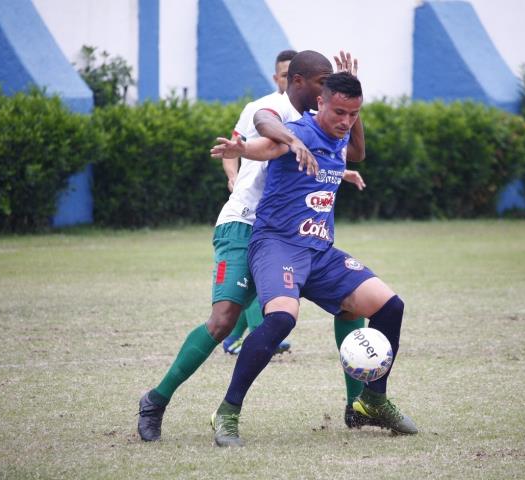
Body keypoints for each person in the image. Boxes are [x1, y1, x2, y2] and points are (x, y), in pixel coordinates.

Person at [138, 50, 370, 442]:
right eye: (322, 83)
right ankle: (155, 400)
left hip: (291, 235)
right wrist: (293, 143)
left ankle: (358, 405)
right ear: (298, 82)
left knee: (352, 300)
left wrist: (340, 145)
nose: (327, 89)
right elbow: (264, 126)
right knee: (224, 318)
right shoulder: (269, 106)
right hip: (244, 225)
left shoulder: (325, 117)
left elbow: (352, 150)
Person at [209, 72, 418, 447]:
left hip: (320, 251)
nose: (346, 122)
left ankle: (372, 400)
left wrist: (347, 157)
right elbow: (268, 145)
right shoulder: (300, 132)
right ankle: (227, 412)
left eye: (353, 114)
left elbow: (353, 151)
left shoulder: (340, 137)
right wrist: (241, 151)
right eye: (339, 111)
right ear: (319, 102)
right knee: (281, 319)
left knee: (390, 306)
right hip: (277, 245)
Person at [220, 49, 298, 356]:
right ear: (275, 77)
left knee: (255, 281)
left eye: (294, 75)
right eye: (284, 75)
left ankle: (233, 338)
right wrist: (232, 177)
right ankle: (260, 335)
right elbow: (233, 149)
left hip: (280, 217)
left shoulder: (306, 114)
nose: (289, 80)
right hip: (251, 211)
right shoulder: (258, 108)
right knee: (254, 277)